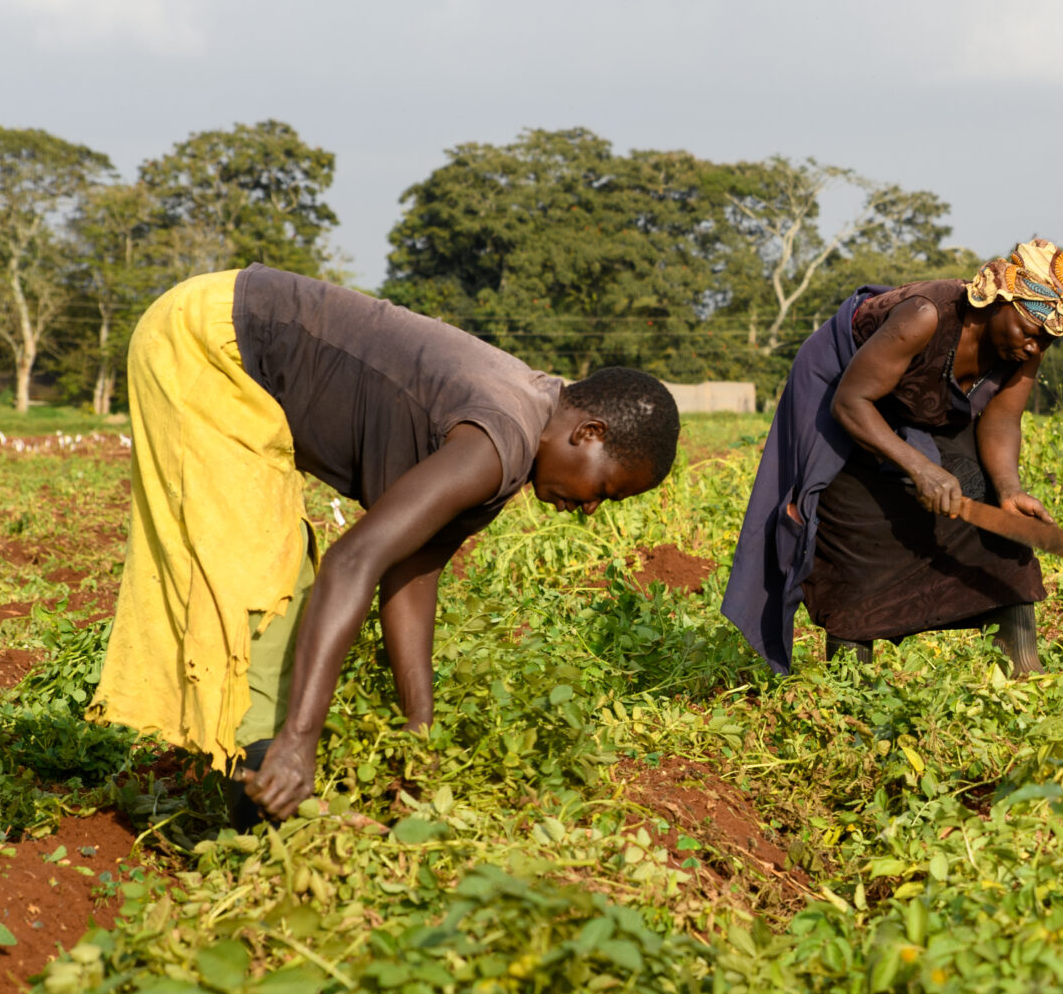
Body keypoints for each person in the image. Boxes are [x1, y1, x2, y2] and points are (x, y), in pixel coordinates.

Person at [90, 267, 679, 821]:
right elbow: (356, 559)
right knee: (264, 588)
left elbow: (412, 572)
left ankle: (260, 793)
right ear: (589, 433)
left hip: (228, 332)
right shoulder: (498, 441)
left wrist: (417, 736)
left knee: (278, 579)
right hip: (212, 343)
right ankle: (254, 811)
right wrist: (302, 738)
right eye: (604, 488)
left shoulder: (518, 445)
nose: (592, 508)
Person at [722, 238, 1063, 676]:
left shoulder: (1024, 349)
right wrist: (921, 468)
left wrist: (1010, 490)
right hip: (844, 396)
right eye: (1032, 333)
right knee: (857, 533)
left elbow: (1001, 421)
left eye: (1048, 340)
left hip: (922, 405)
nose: (1036, 348)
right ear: (999, 304)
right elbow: (851, 402)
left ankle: (1023, 665)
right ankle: (851, 683)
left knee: (990, 509)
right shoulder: (925, 316)